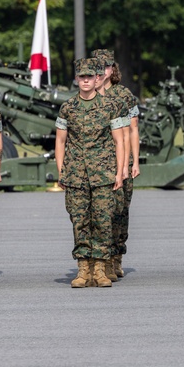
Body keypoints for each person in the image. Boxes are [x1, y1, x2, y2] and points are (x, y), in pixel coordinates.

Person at [56, 58, 128, 288]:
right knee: (79, 221)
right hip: (76, 174)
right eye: (82, 77)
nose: (86, 81)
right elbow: (60, 142)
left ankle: (100, 269)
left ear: (97, 79)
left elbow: (119, 142)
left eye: (90, 77)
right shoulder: (68, 108)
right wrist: (61, 172)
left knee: (103, 221)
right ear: (76, 79)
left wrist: (119, 172)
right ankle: (83, 269)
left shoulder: (110, 107)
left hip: (103, 174)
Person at [92, 49, 141, 281]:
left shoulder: (124, 95)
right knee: (99, 213)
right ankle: (99, 260)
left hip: (122, 161)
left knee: (119, 212)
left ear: (113, 69)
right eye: (98, 67)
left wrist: (134, 161)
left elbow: (132, 130)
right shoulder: (87, 95)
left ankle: (115, 257)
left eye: (107, 66)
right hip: (96, 164)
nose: (103, 71)